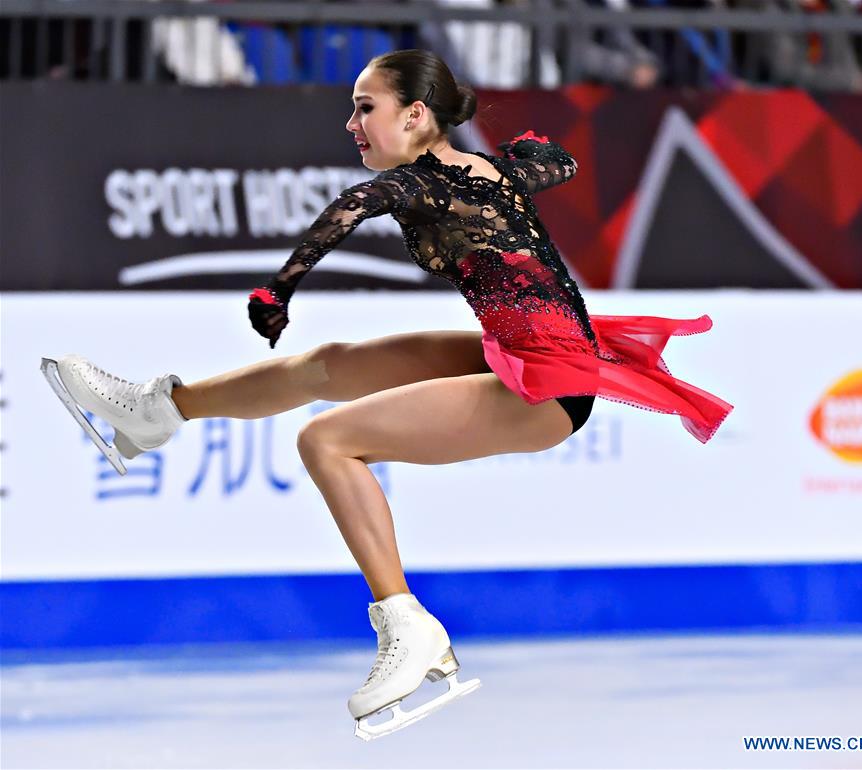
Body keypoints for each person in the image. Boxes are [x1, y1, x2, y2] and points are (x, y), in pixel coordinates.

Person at [46, 48, 733, 739]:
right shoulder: (487, 171)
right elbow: (561, 164)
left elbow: (351, 207)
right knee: (326, 367)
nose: (351, 123)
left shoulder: (419, 185)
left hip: (548, 386)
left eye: (364, 107)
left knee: (327, 438)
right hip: (526, 356)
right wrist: (530, 159)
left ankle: (408, 627)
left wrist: (278, 288)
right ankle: (157, 412)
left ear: (415, 114)